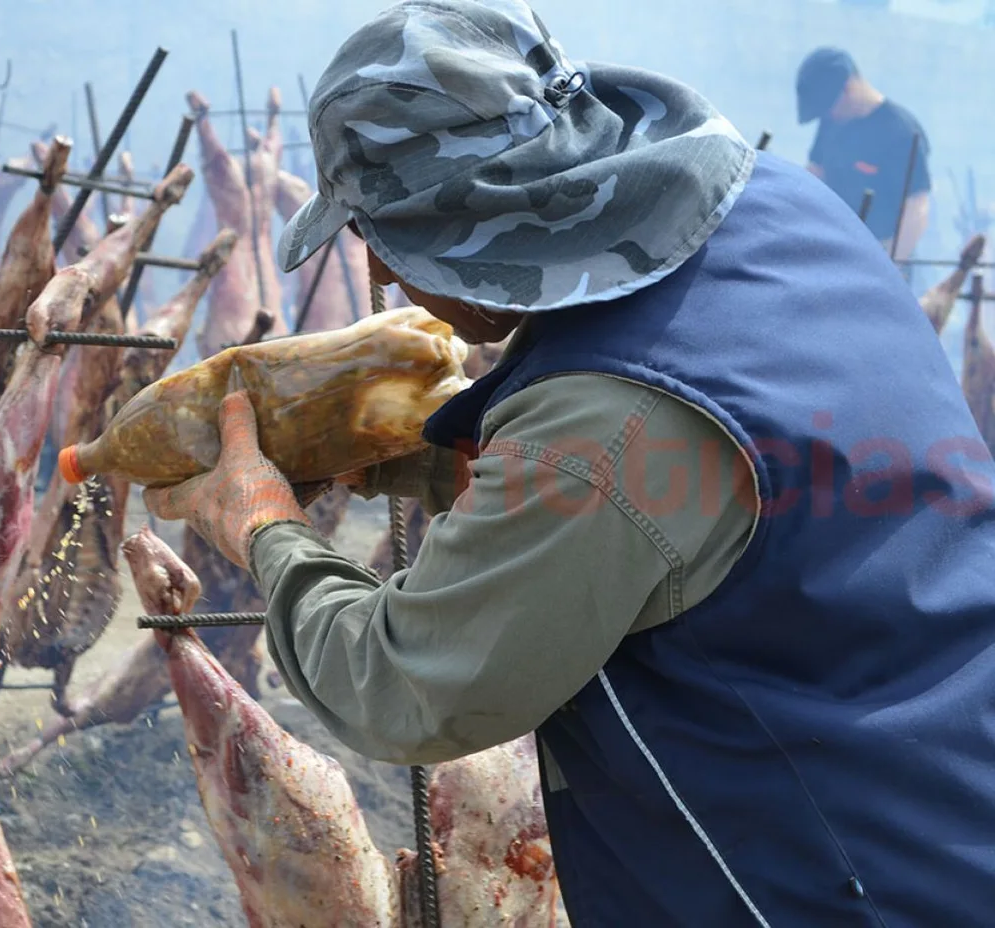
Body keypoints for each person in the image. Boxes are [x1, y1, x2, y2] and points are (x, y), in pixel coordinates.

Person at [146, 1, 995, 924]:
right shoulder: (784, 206)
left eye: (376, 238)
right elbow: (691, 498)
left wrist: (261, 525)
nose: (382, 278)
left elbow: (407, 688)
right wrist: (407, 449)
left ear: (452, 223)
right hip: (950, 799)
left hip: (819, 884)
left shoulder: (603, 426)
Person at [797, 47, 931, 260]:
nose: (828, 115)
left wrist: (889, 263)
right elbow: (816, 172)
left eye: (830, 107)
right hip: (834, 247)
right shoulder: (832, 122)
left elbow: (917, 207)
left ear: (849, 88)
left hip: (880, 252)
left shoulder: (901, 131)